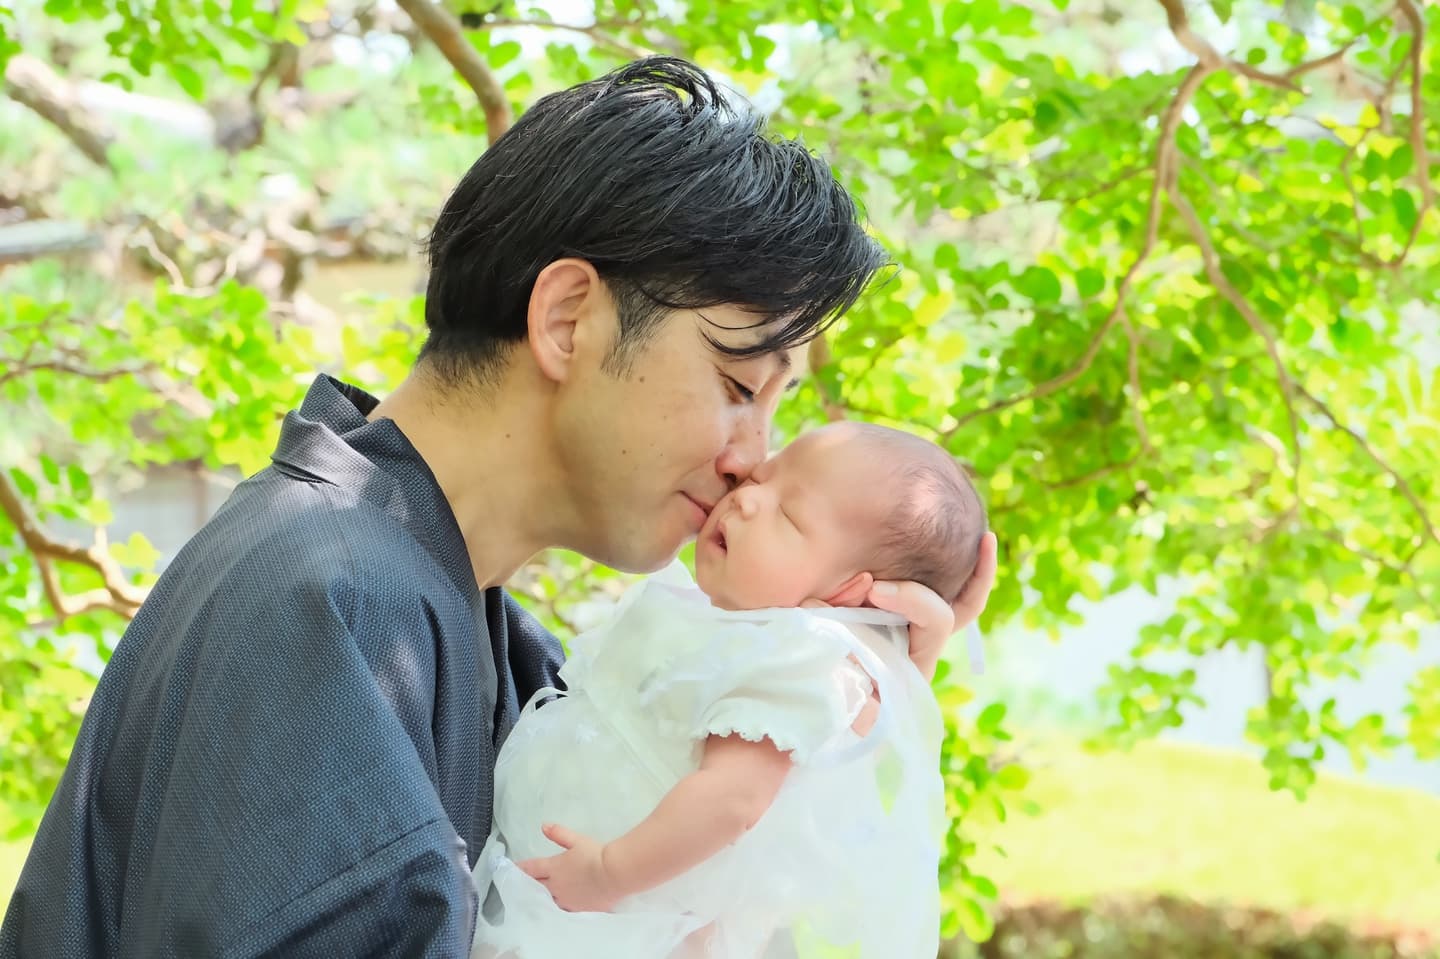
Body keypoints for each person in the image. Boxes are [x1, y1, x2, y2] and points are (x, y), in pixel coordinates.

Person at [0, 56, 997, 957]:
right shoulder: (328, 603)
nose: (749, 463)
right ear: (568, 318)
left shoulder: (468, 627)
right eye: (739, 385)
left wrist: (825, 708)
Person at [472, 422, 987, 958]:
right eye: (759, 480)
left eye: (789, 514)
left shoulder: (797, 662)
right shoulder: (719, 627)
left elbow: (732, 800)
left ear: (850, 593)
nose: (746, 501)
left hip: (616, 916)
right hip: (547, 868)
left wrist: (608, 873)